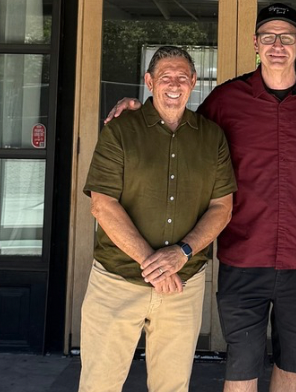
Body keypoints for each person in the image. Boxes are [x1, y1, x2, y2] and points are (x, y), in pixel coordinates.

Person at [105, 3, 296, 392]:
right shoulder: (227, 99)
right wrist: (138, 109)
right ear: (255, 43)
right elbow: (180, 128)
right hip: (242, 255)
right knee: (241, 362)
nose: (277, 45)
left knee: (294, 361)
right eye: (268, 36)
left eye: (286, 37)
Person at [80, 45, 236, 392]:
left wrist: (180, 253)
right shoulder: (120, 130)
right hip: (117, 281)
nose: (175, 84)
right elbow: (103, 205)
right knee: (99, 384)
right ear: (149, 81)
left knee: (172, 386)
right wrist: (152, 262)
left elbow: (221, 208)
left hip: (183, 284)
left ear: (194, 81)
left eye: (183, 76)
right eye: (166, 77)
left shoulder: (211, 137)